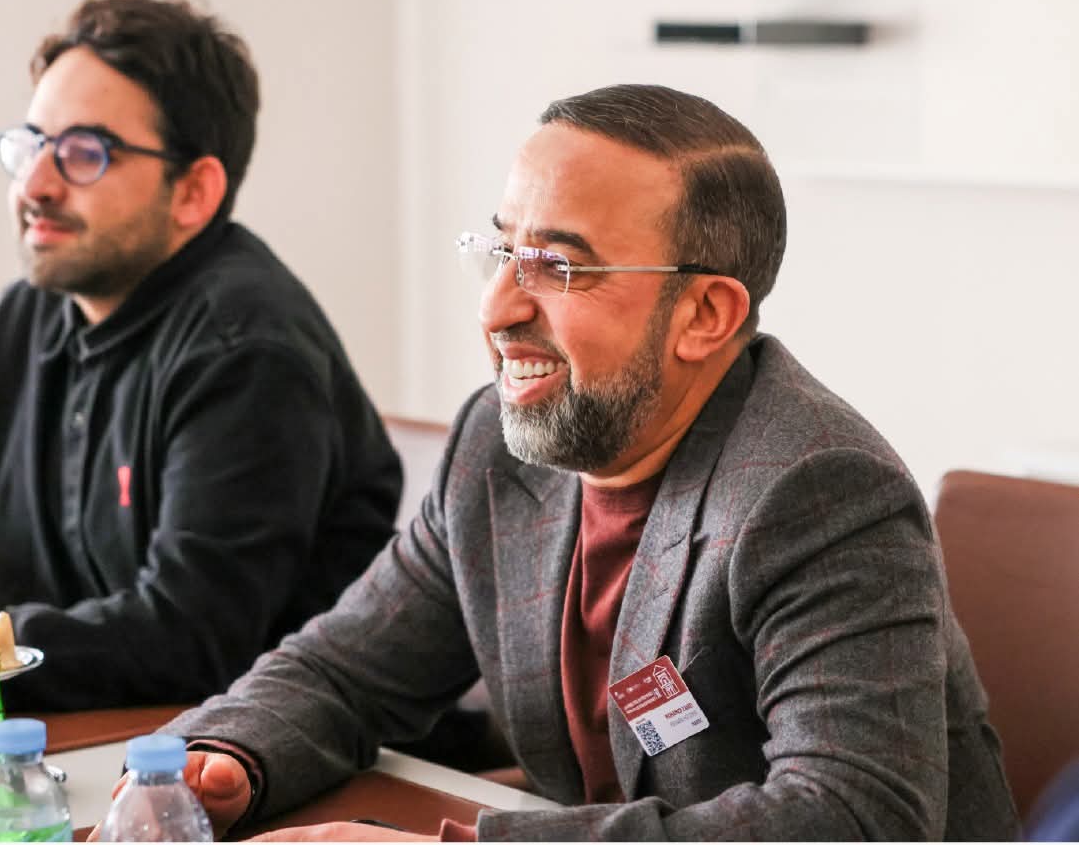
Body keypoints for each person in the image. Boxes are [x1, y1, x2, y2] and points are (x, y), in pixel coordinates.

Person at [161, 84, 1018, 840]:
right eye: (503, 251)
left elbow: (851, 818)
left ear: (704, 314)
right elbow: (343, 669)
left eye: (557, 267)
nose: (497, 308)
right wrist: (224, 758)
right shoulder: (497, 447)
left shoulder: (818, 489)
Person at [0, 0, 402, 711]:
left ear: (193, 191)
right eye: (30, 145)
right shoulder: (28, 314)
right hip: (90, 735)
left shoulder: (246, 349)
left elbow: (188, 640)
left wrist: (7, 644)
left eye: (83, 153)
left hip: (273, 753)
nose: (34, 185)